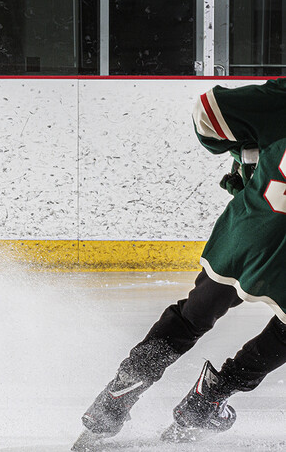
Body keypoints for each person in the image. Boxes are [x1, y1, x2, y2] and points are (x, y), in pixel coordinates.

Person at [76, 79, 286, 446]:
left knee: (192, 316)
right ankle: (210, 398)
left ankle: (115, 398)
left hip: (250, 232)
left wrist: (247, 150)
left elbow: (208, 111)